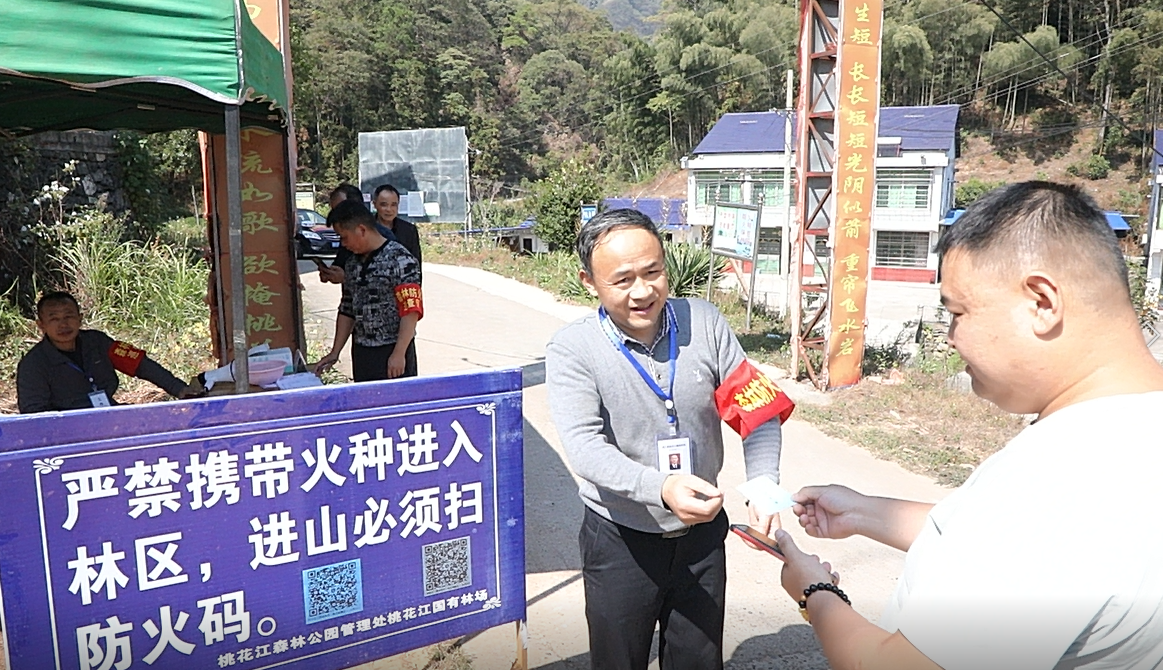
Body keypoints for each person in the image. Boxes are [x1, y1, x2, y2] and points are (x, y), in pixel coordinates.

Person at [774, 181, 1163, 670]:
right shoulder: (1135, 430)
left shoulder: (1055, 479)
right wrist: (863, 513)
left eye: (958, 312)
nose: (952, 337)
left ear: (1042, 302)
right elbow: (1009, 549)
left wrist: (814, 592)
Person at [545, 208, 795, 670]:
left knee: (698, 658)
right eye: (622, 281)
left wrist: (764, 485)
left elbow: (757, 411)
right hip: (621, 539)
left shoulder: (704, 322)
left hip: (702, 537)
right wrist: (661, 488)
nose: (643, 292)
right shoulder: (573, 349)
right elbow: (585, 447)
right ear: (589, 282)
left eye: (653, 272)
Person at [17, 291, 196, 413]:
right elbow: (35, 415)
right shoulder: (33, 365)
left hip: (110, 414)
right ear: (41, 325)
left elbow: (140, 364)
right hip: (69, 430)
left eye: (69, 316)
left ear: (80, 319)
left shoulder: (97, 342)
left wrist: (180, 389)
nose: (63, 324)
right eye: (54, 319)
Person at [315, 200, 422, 381]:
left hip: (393, 351)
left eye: (344, 237)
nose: (343, 244)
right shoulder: (352, 263)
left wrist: (399, 353)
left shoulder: (401, 260)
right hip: (362, 352)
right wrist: (335, 352)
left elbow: (410, 311)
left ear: (361, 230)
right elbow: (347, 309)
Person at [317, 183, 395, 285]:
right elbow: (341, 265)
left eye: (341, 209)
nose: (344, 243)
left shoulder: (394, 253)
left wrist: (346, 278)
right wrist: (332, 273)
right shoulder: (351, 256)